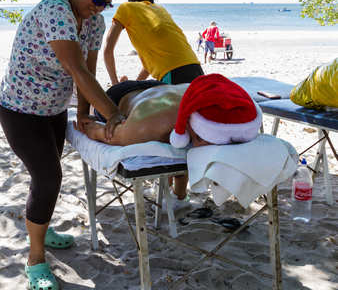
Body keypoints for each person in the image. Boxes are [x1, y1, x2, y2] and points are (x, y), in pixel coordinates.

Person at [0, 0, 126, 290]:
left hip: (54, 110)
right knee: (49, 177)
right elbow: (75, 68)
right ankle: (35, 260)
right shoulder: (55, 11)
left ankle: (41, 226)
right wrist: (112, 113)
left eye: (108, 4)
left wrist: (84, 114)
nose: (100, 8)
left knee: (44, 178)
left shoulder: (94, 22)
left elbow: (91, 69)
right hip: (20, 111)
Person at [76, 74, 262, 213]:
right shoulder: (145, 126)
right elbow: (97, 132)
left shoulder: (229, 119)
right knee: (169, 140)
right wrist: (88, 122)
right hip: (121, 96)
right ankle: (174, 192)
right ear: (194, 130)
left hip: (165, 88)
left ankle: (177, 195)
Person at [103, 0, 204, 86]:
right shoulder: (160, 9)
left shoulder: (126, 7)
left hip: (173, 71)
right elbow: (149, 65)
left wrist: (114, 82)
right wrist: (135, 85)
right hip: (196, 68)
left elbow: (108, 49)